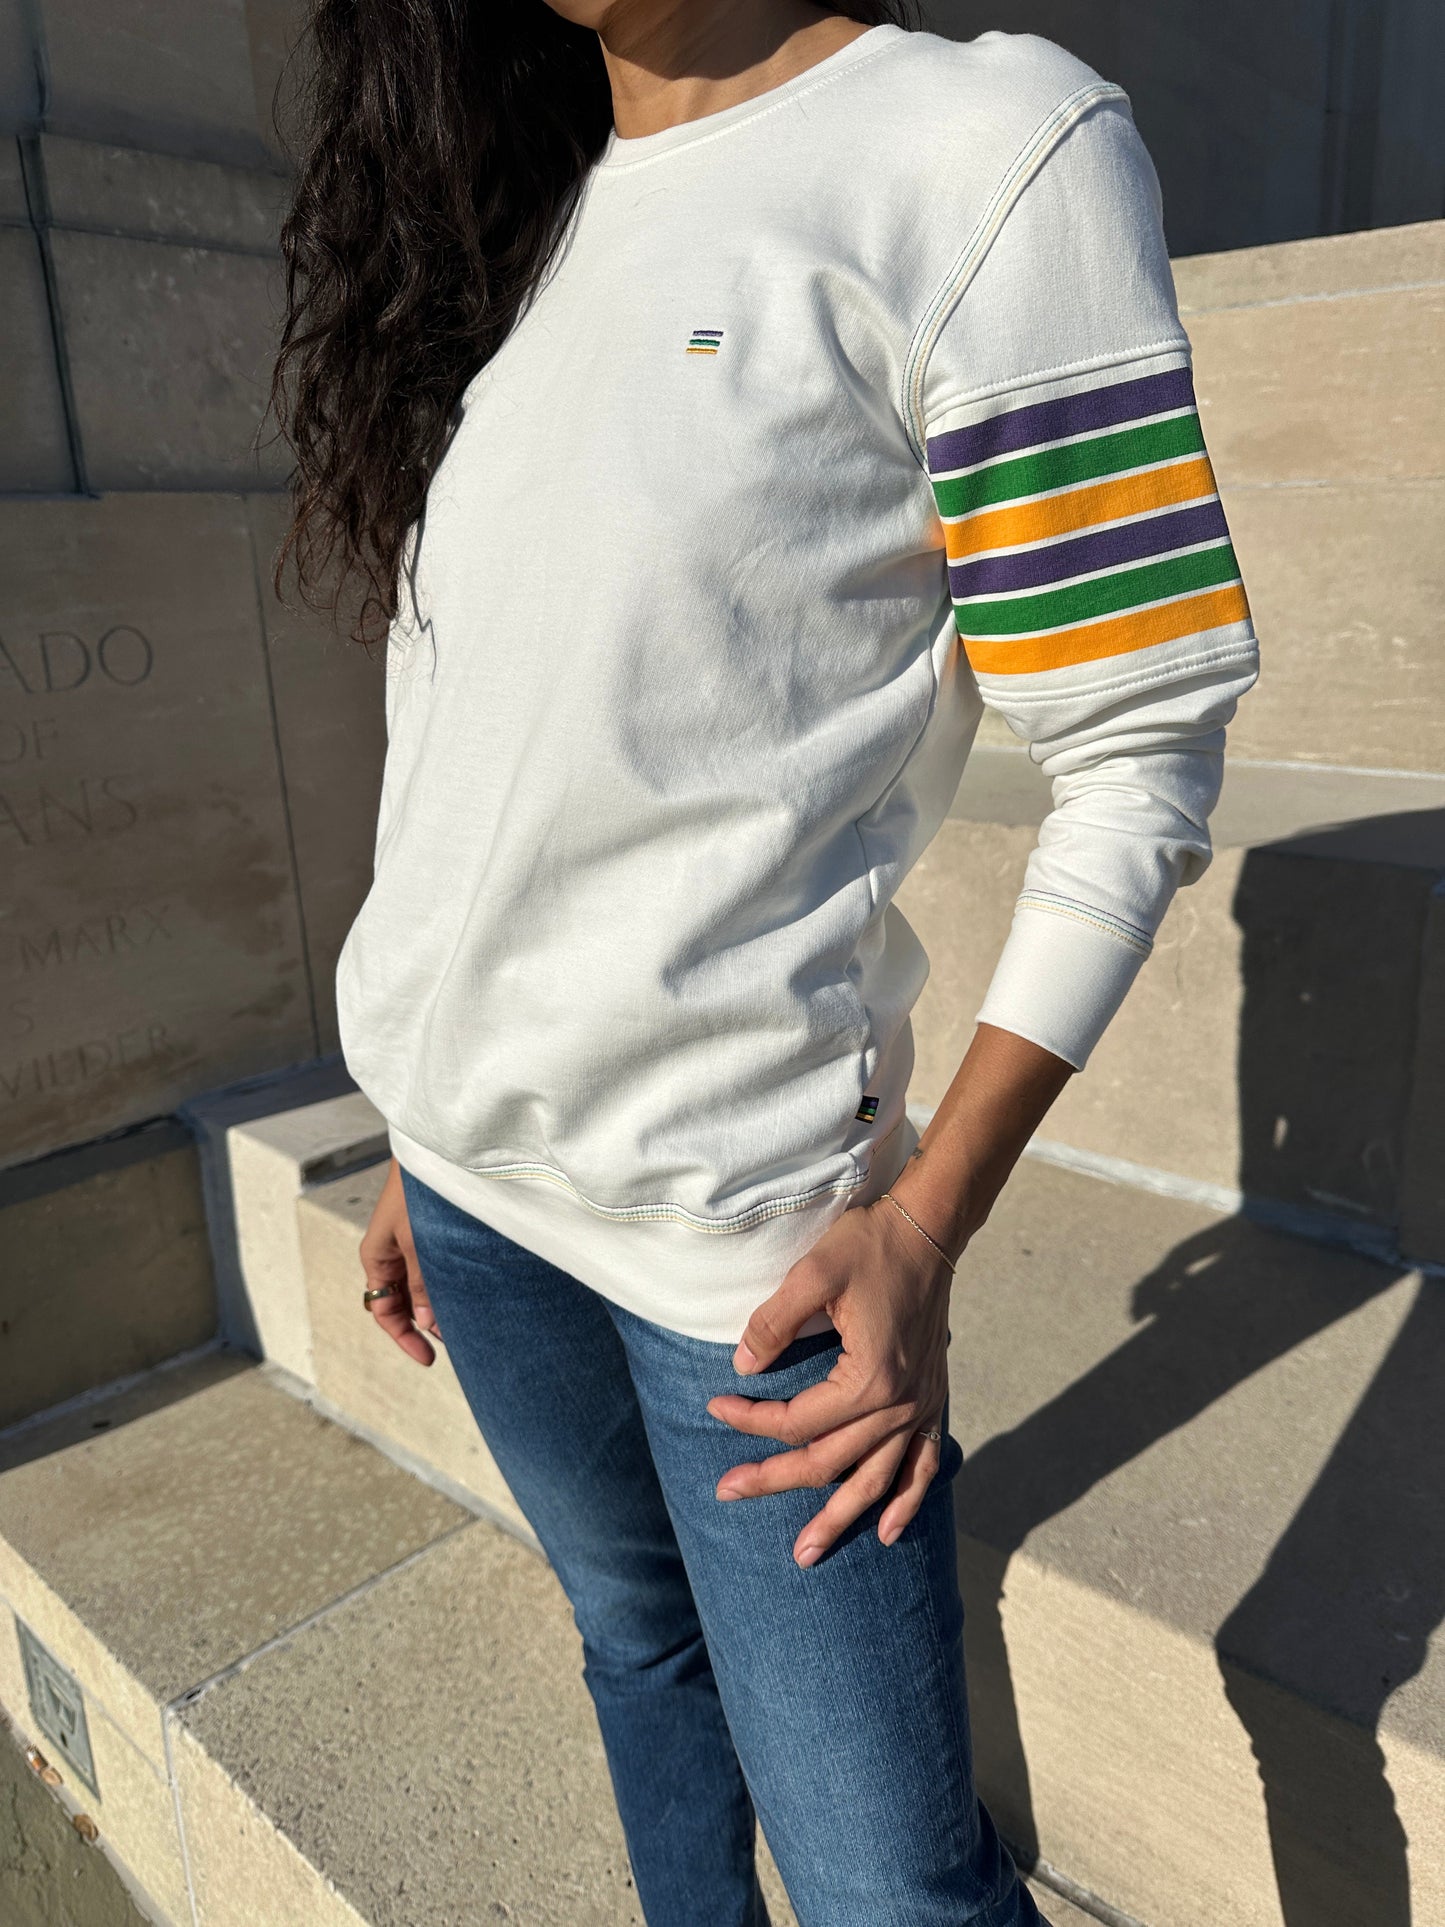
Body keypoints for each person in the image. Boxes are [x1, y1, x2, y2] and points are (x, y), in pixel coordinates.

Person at [273, 3, 1258, 1921]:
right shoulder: (538, 226)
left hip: (744, 1260)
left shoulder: (985, 147)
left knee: (889, 1890)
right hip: (475, 1198)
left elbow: (1138, 754)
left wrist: (927, 1222)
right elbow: (470, 730)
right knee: (635, 1656)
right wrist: (424, 1112)